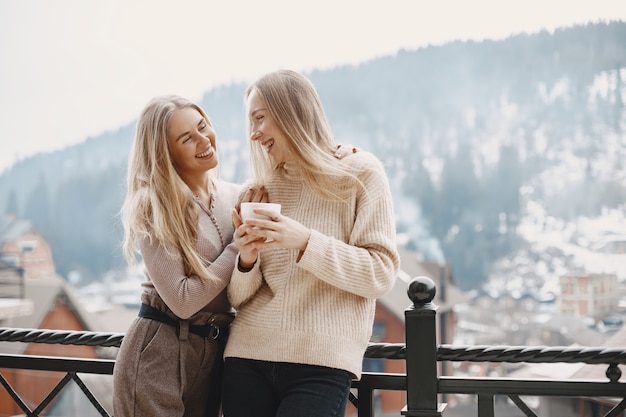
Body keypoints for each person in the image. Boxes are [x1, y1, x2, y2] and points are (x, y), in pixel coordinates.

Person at [221, 69, 401, 417]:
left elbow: (379, 274)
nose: (254, 134)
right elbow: (238, 297)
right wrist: (246, 257)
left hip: (321, 362)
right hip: (247, 355)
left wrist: (304, 241)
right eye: (250, 123)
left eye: (260, 118)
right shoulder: (257, 192)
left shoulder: (359, 173)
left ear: (291, 111)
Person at [112, 94, 266, 417]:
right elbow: (181, 300)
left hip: (217, 356)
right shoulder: (154, 206)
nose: (203, 140)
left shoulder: (236, 196)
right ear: (166, 154)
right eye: (187, 138)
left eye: (203, 126)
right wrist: (236, 247)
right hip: (160, 354)